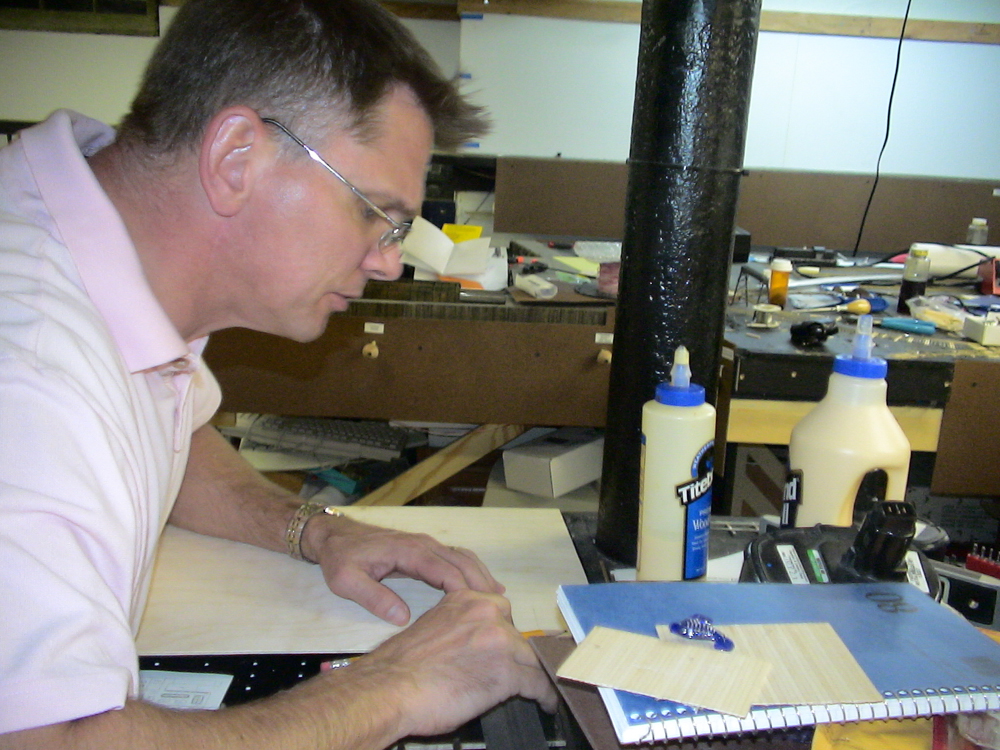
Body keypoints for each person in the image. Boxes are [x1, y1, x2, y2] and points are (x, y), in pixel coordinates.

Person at [0, 0, 557, 747]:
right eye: (375, 213)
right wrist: (398, 686)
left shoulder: (94, 244)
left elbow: (165, 433)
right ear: (237, 158)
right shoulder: (31, 371)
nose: (388, 261)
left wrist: (314, 532)